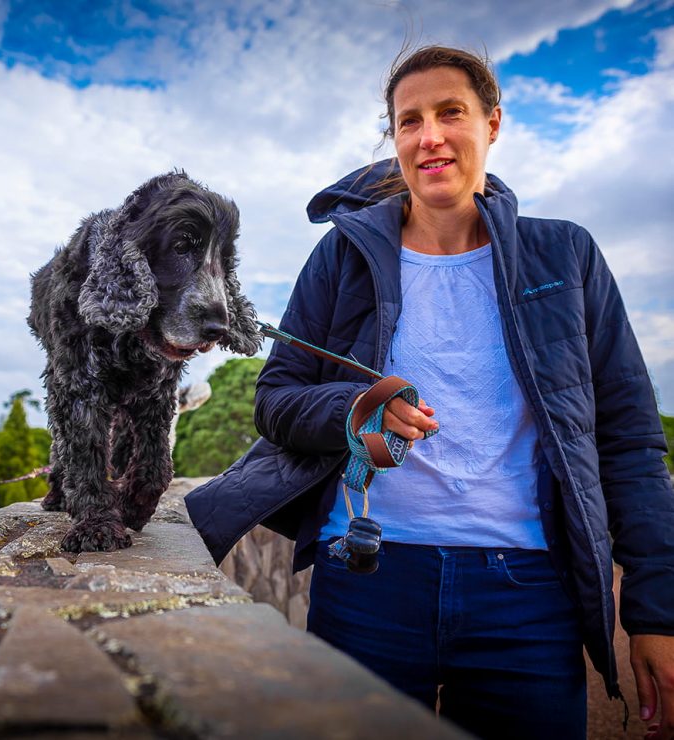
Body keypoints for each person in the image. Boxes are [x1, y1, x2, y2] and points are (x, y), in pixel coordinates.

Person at [186, 45, 674, 739]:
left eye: (451, 112)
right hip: (364, 581)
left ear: (493, 123)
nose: (430, 136)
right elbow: (278, 398)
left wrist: (657, 613)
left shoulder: (565, 255)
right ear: (393, 138)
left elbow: (628, 441)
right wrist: (353, 410)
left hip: (528, 594)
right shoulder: (341, 255)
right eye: (408, 120)